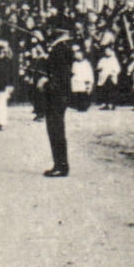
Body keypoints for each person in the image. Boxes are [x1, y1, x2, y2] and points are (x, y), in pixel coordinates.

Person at [38, 16, 76, 176]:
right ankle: (59, 164)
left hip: (56, 94)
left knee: (56, 130)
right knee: (55, 129)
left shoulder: (60, 49)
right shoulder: (61, 47)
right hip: (59, 94)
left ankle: (61, 166)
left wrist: (47, 84)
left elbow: (61, 74)